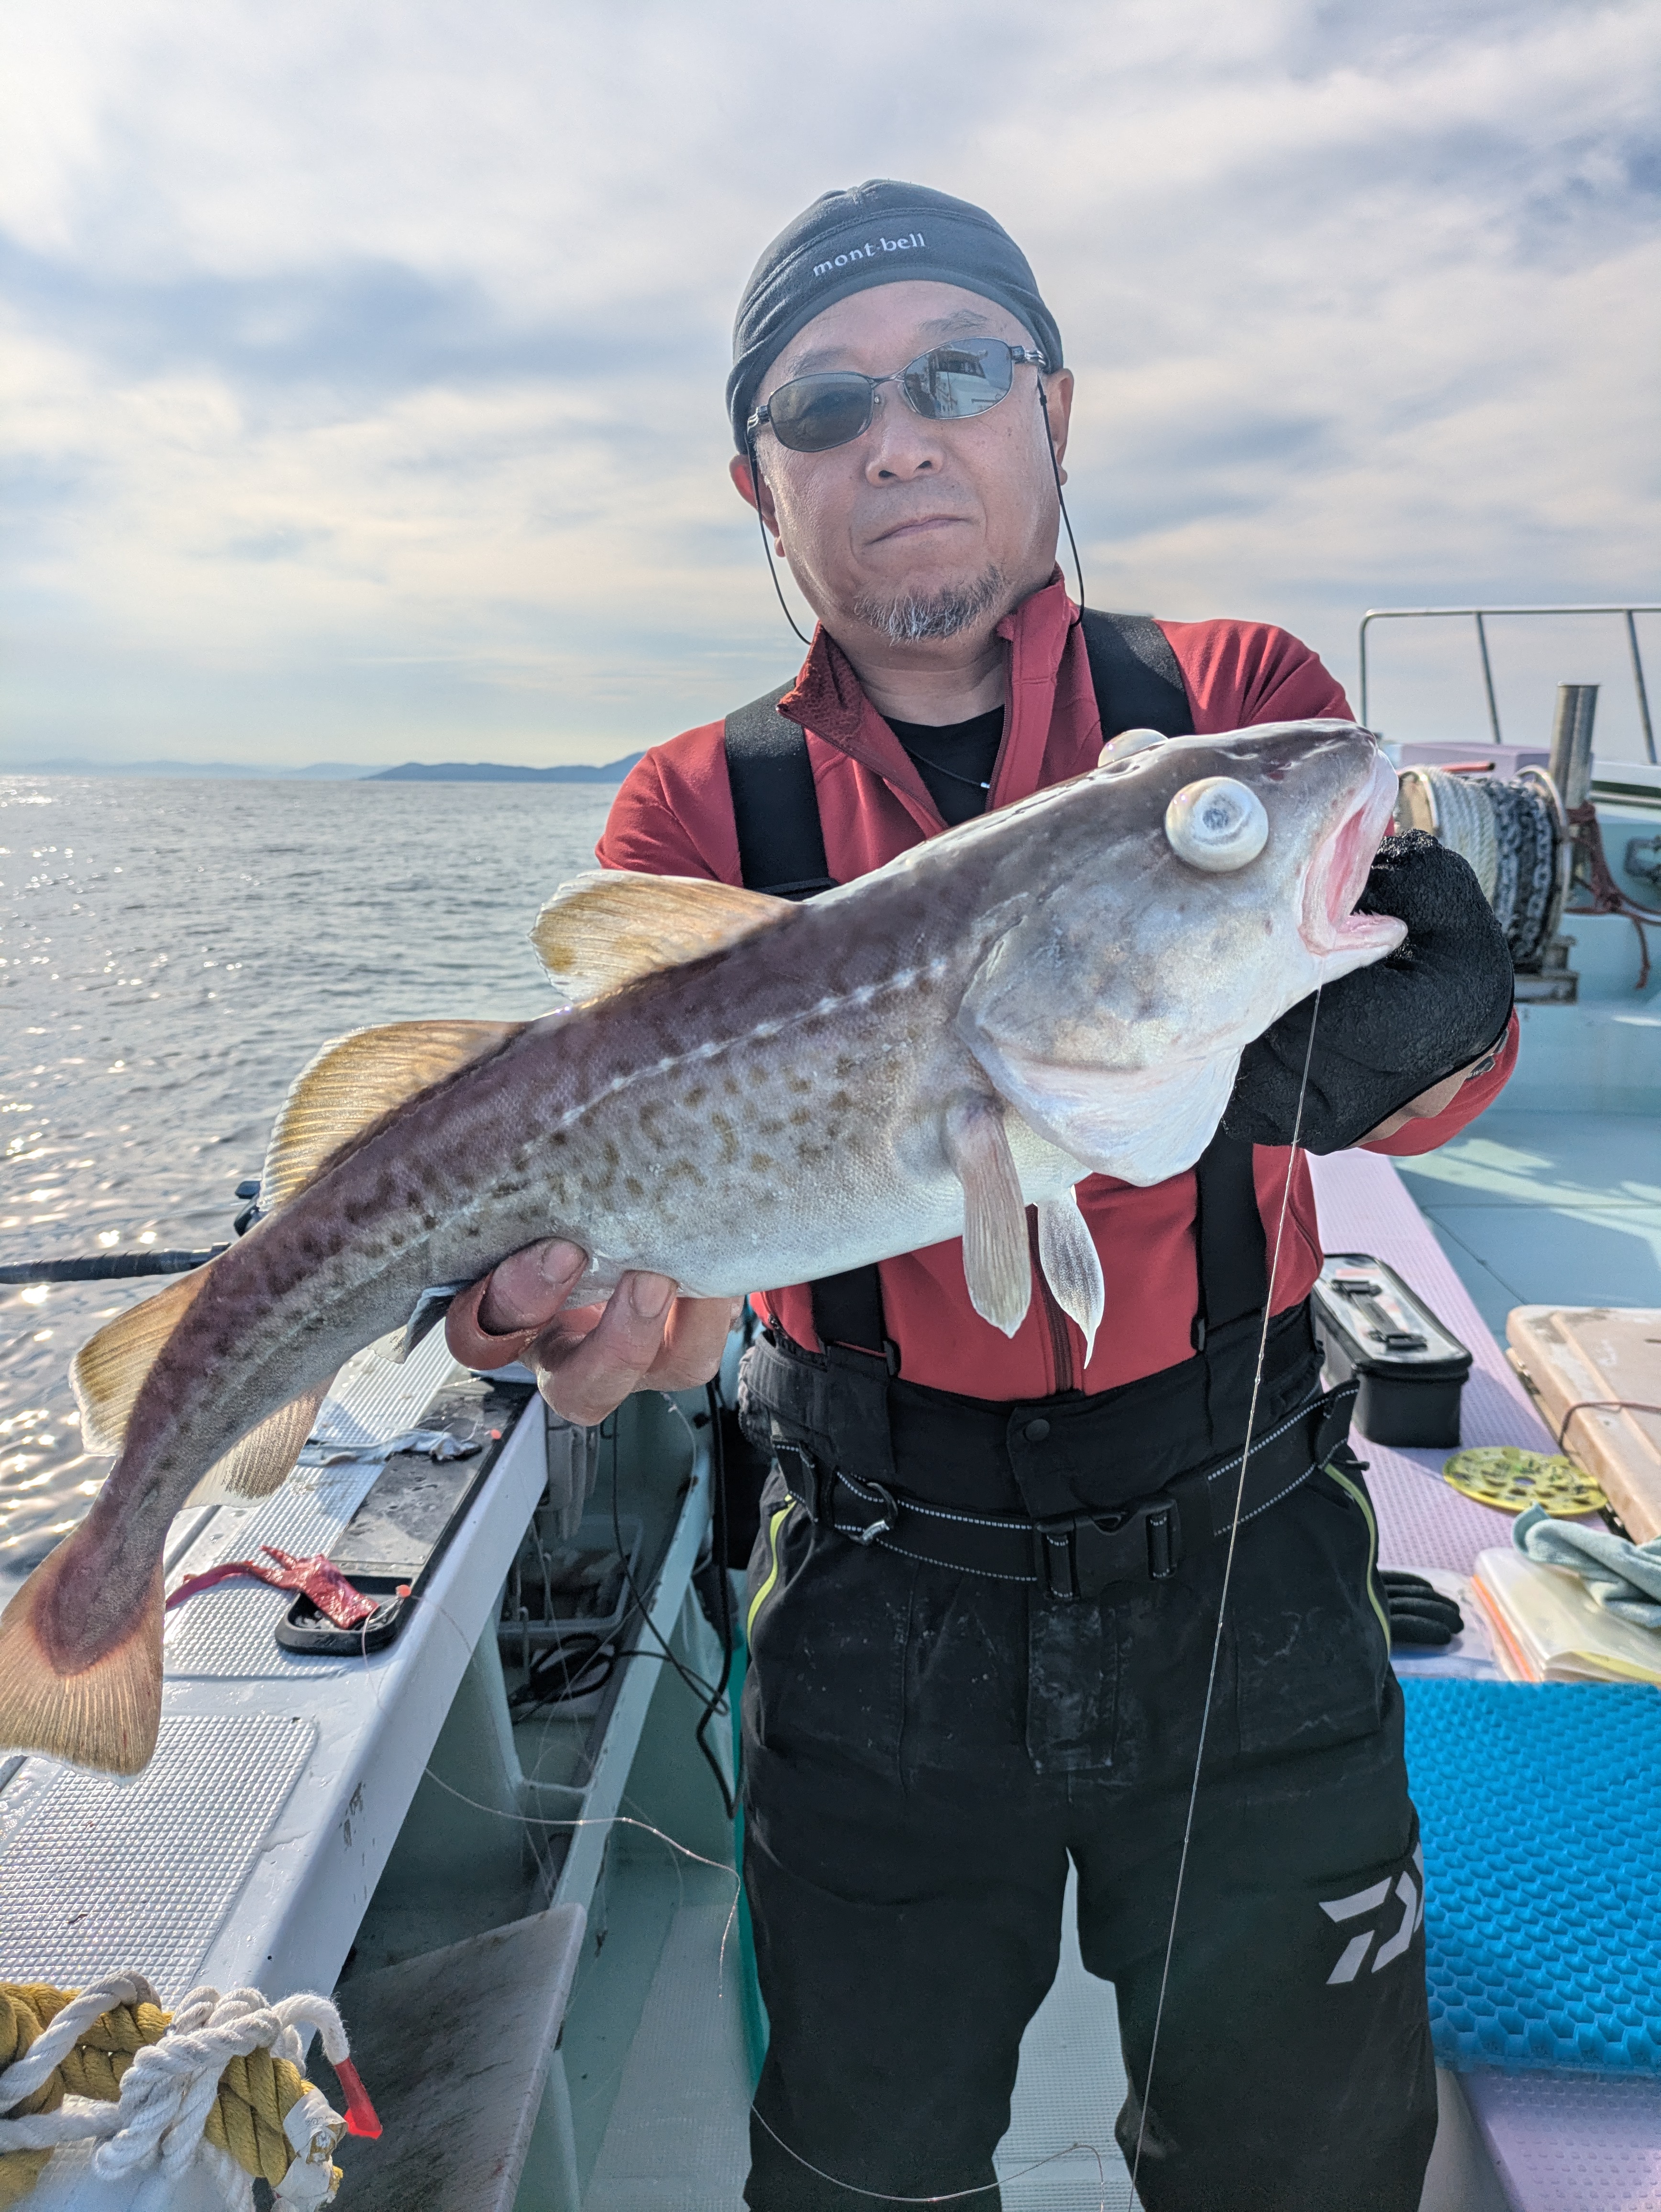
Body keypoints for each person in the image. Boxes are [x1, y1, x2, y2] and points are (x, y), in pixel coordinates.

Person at [448, 181, 1517, 2211]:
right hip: (876, 1586)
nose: (897, 440)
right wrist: (597, 1332)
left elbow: (1454, 1101)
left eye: (954, 376)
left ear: (1052, 409)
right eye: (825, 409)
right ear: (761, 487)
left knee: (1307, 2167)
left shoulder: (1229, 709)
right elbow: (679, 1314)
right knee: (862, 2176)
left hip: (1246, 1557)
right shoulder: (699, 813)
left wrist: (1424, 1026)